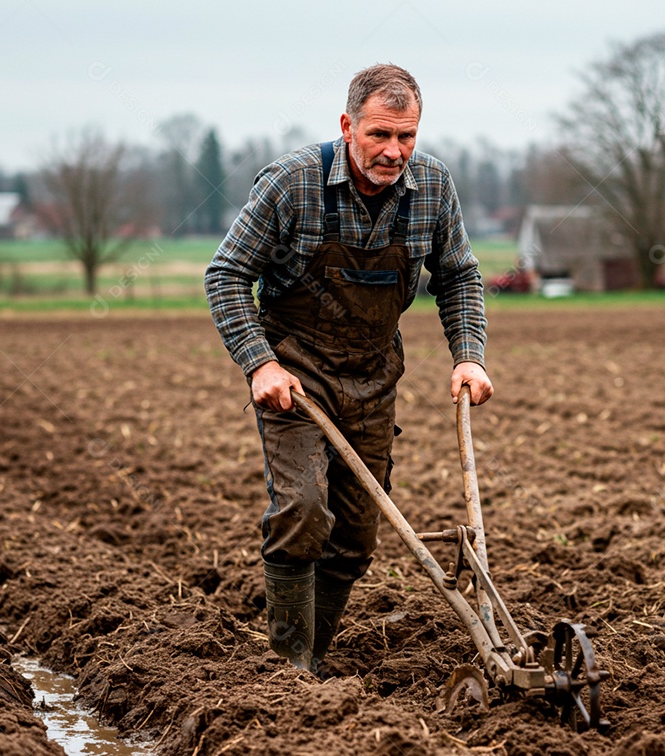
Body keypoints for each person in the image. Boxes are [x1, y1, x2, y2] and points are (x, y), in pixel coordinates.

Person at [205, 63, 492, 674]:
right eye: (380, 135)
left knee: (358, 537)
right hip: (296, 379)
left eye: (407, 137)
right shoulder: (293, 183)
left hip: (372, 377)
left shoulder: (433, 188)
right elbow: (226, 276)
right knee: (303, 509)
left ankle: (314, 655)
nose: (394, 152)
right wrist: (260, 365)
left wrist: (468, 355)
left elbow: (460, 275)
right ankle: (288, 670)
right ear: (347, 126)